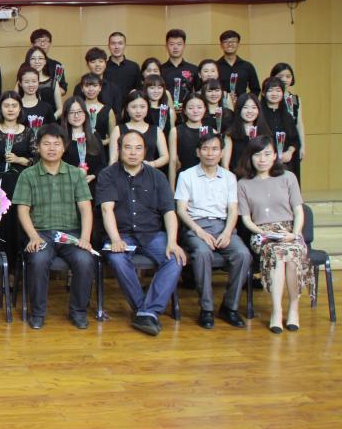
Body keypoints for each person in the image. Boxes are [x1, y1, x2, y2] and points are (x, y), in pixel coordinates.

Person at [96, 130, 186, 336]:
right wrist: (115, 239)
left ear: (145, 151)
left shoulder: (158, 176)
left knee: (176, 258)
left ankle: (146, 311)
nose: (133, 153)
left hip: (152, 233)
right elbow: (107, 210)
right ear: (119, 149)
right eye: (128, 147)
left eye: (138, 148)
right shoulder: (107, 175)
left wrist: (172, 241)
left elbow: (169, 212)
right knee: (117, 259)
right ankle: (146, 312)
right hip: (121, 233)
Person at [13, 124, 94, 330]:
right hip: (41, 233)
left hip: (71, 234)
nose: (51, 148)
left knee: (85, 260)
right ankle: (38, 313)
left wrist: (85, 238)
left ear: (64, 147)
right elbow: (22, 210)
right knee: (38, 259)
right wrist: (33, 237)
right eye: (46, 144)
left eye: (56, 144)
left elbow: (85, 208)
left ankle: (78, 312)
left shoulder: (76, 174)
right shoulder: (28, 175)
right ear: (38, 147)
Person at [174, 133, 251, 329]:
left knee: (243, 255)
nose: (210, 153)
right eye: (205, 149)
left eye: (215, 149)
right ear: (198, 152)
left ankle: (229, 307)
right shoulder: (186, 175)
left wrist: (227, 232)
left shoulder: (229, 177)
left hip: (223, 226)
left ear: (222, 152)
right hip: (195, 226)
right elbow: (181, 210)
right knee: (202, 253)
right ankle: (206, 309)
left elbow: (233, 209)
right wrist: (199, 231)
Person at [236, 136, 311, 333]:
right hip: (262, 233)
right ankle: (276, 311)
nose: (262, 159)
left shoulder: (288, 177)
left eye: (267, 154)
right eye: (257, 155)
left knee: (292, 253)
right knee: (277, 254)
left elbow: (298, 211)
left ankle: (293, 308)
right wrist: (264, 232)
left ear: (275, 155)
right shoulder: (243, 184)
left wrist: (295, 234)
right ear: (250, 157)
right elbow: (246, 219)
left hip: (289, 231)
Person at [0, 91, 37, 263]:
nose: (10, 109)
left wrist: (20, 160)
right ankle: (3, 265)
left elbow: (38, 160)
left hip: (22, 183)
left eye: (14, 105)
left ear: (20, 109)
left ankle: (20, 266)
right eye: (6, 106)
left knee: (19, 223)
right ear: (0, 109)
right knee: (2, 224)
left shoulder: (28, 132)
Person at [108, 91, 169, 170]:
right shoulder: (118, 130)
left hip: (148, 172)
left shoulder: (157, 130)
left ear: (148, 108)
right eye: (134, 107)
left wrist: (152, 164)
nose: (138, 111)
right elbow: (113, 159)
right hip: (123, 173)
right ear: (127, 108)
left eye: (142, 107)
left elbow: (165, 157)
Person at [59, 97, 105, 188]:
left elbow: (102, 164)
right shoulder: (61, 138)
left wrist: (93, 176)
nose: (76, 116)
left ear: (85, 113)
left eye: (79, 111)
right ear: (66, 115)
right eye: (72, 112)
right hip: (68, 186)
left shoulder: (94, 135)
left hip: (92, 186)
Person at [271, 62, 305, 183]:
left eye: (288, 76)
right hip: (277, 143)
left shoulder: (295, 99)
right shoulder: (272, 97)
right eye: (280, 76)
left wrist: (302, 146)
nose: (284, 79)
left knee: (294, 176)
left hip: (293, 143)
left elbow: (299, 123)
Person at [260, 77, 300, 174]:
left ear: (282, 93)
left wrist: (289, 152)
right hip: (263, 161)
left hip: (284, 162)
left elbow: (295, 140)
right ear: (263, 93)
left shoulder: (287, 116)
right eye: (270, 90)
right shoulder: (258, 114)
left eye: (278, 90)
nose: (274, 94)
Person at [169, 94, 209, 191]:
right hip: (183, 179)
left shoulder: (212, 132)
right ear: (184, 111)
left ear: (205, 109)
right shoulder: (176, 131)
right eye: (191, 108)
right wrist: (171, 188)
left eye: (199, 107)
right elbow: (173, 161)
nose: (195, 111)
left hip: (206, 180)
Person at [224, 93, 271, 172]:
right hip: (236, 176)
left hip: (259, 176)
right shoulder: (230, 135)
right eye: (245, 107)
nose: (250, 111)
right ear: (239, 110)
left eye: (254, 107)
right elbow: (225, 166)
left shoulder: (265, 134)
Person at [216, 30, 260, 104]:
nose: (230, 44)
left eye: (233, 41)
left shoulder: (247, 66)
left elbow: (255, 89)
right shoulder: (215, 66)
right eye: (226, 42)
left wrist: (246, 101)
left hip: (242, 106)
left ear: (238, 44)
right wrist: (224, 98)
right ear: (221, 45)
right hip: (221, 106)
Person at [73, 47, 122, 112]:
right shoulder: (79, 87)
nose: (97, 65)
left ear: (105, 63)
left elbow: (117, 113)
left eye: (101, 61)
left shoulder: (113, 88)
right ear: (87, 64)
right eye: (93, 62)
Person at [159, 29, 199, 106]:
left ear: (184, 46)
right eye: (172, 44)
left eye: (179, 44)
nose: (175, 47)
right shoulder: (160, 70)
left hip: (188, 110)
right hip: (165, 109)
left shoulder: (193, 69)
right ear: (166, 46)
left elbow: (198, 92)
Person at [78, 73, 116, 147]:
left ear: (100, 88)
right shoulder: (77, 108)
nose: (91, 89)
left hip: (102, 149)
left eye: (95, 86)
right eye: (87, 86)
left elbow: (113, 137)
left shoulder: (108, 110)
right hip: (80, 148)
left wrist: (103, 142)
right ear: (82, 88)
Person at [25, 46, 64, 116]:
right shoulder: (21, 81)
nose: (37, 62)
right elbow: (16, 103)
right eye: (33, 58)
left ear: (45, 61)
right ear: (28, 61)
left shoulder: (53, 82)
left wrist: (50, 119)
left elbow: (60, 109)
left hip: (51, 120)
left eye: (40, 58)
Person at [29, 28, 68, 93]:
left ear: (50, 43)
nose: (42, 44)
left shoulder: (57, 66)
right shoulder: (25, 65)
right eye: (38, 41)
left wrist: (49, 89)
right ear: (32, 45)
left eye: (45, 41)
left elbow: (63, 89)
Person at [105, 31, 140, 101]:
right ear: (108, 46)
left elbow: (139, 89)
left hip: (129, 106)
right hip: (109, 107)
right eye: (113, 43)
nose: (116, 47)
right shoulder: (103, 67)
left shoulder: (134, 67)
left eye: (120, 43)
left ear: (125, 45)